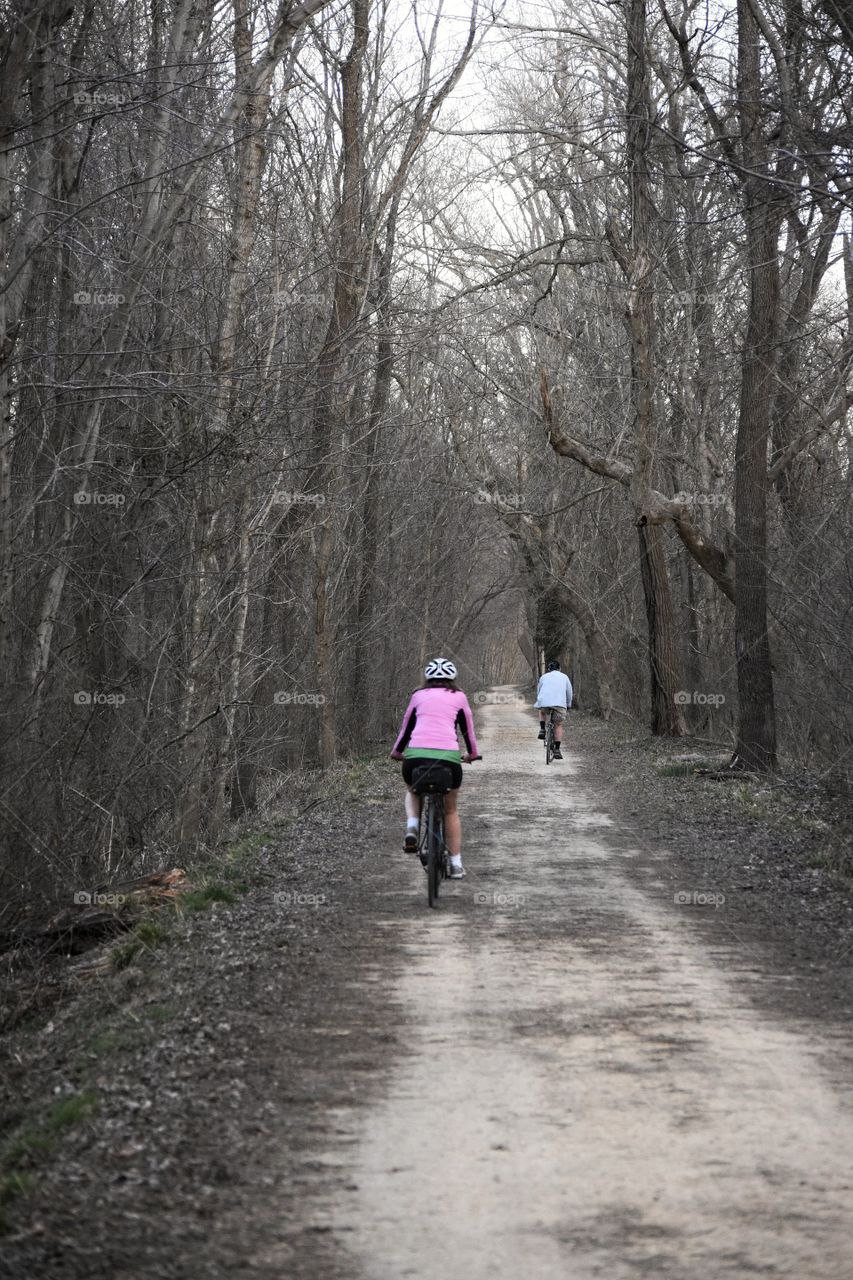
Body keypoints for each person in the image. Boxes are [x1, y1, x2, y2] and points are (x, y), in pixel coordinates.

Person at [390, 658, 480, 879]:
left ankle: (412, 827)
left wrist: (397, 752)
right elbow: (468, 730)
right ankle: (456, 864)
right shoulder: (459, 697)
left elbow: (406, 728)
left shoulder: (417, 696)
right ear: (452, 679)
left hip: (415, 758)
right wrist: (473, 754)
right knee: (450, 810)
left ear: (427, 679)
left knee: (413, 789)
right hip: (448, 759)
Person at [535, 660, 573, 760]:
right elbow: (569, 692)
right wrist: (568, 704)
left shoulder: (543, 677)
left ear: (548, 669)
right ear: (559, 668)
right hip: (560, 705)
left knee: (541, 710)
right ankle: (557, 749)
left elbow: (539, 691)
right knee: (558, 725)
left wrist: (539, 701)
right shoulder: (564, 677)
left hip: (545, 703)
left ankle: (542, 729)